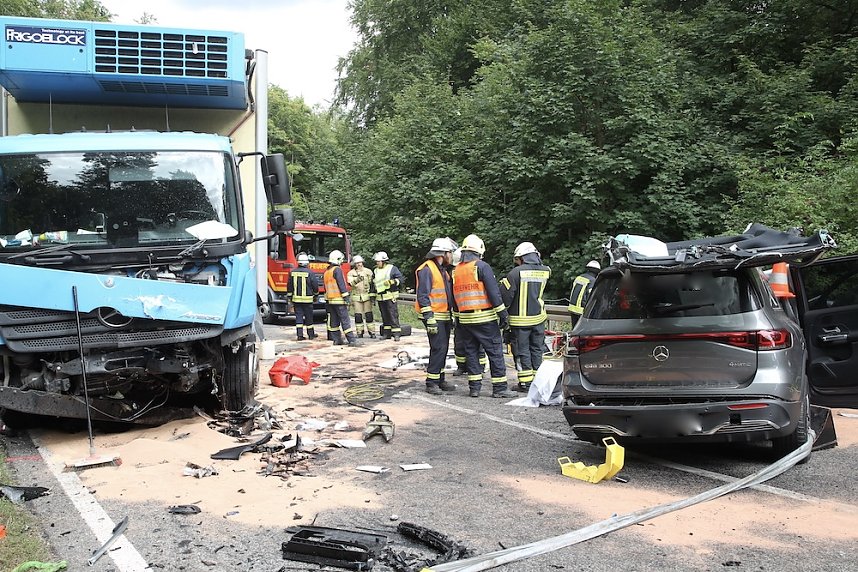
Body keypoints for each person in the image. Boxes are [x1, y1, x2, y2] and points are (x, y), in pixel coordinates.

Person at [451, 234, 516, 398]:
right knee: (494, 352)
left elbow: (454, 298)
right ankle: (500, 389)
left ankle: (474, 388)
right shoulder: (481, 266)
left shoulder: (456, 271)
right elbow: (494, 293)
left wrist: (457, 318)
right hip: (485, 318)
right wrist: (503, 315)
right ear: (479, 251)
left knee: (471, 353)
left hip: (465, 320)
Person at [500, 242, 551, 392]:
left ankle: (526, 383)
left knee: (522, 352)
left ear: (521, 258)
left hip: (520, 320)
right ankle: (538, 382)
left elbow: (506, 297)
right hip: (539, 319)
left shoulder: (516, 273)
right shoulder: (546, 271)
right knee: (537, 350)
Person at [415, 237, 457, 395]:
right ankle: (431, 382)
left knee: (443, 349)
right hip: (434, 317)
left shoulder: (441, 270)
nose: (451, 256)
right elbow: (423, 295)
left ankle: (440, 379)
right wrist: (429, 318)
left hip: (443, 316)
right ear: (443, 253)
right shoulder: (427, 269)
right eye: (450, 253)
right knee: (438, 348)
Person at [450, 247, 486, 375]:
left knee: (476, 342)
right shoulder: (455, 273)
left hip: (477, 313)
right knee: (459, 342)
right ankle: (461, 366)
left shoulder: (477, 269)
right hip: (459, 313)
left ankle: (479, 366)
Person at [323, 249, 359, 347]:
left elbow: (325, 288)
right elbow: (341, 284)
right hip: (339, 300)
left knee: (334, 322)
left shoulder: (327, 272)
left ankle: (337, 340)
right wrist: (346, 298)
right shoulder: (337, 270)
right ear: (338, 259)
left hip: (330, 301)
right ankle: (352, 340)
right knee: (345, 321)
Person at [287, 253, 319, 341]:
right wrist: (316, 294)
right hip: (308, 300)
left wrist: (289, 297)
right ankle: (311, 335)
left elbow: (289, 286)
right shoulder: (310, 272)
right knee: (309, 317)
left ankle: (299, 335)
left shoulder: (292, 272)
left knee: (299, 317)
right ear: (306, 263)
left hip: (296, 300)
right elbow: (315, 285)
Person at [373, 251, 404, 341]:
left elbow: (400, 279)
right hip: (380, 297)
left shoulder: (392, 268)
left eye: (378, 261)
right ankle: (387, 334)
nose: (377, 263)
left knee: (393, 315)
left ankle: (396, 334)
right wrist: (373, 296)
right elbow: (373, 284)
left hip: (390, 296)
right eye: (376, 262)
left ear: (384, 261)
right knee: (384, 316)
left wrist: (392, 282)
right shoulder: (375, 270)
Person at [347, 255, 376, 338]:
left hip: (367, 296)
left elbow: (372, 283)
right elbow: (351, 283)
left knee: (369, 315)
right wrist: (357, 279)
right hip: (356, 297)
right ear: (354, 264)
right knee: (358, 316)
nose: (359, 264)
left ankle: (372, 332)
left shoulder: (368, 271)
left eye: (360, 262)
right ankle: (359, 332)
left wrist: (373, 296)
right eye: (357, 263)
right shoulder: (351, 273)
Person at [568, 260, 601, 327]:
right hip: (581, 311)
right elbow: (590, 296)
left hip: (572, 308)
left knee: (574, 330)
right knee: (581, 332)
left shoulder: (579, 277)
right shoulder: (592, 280)